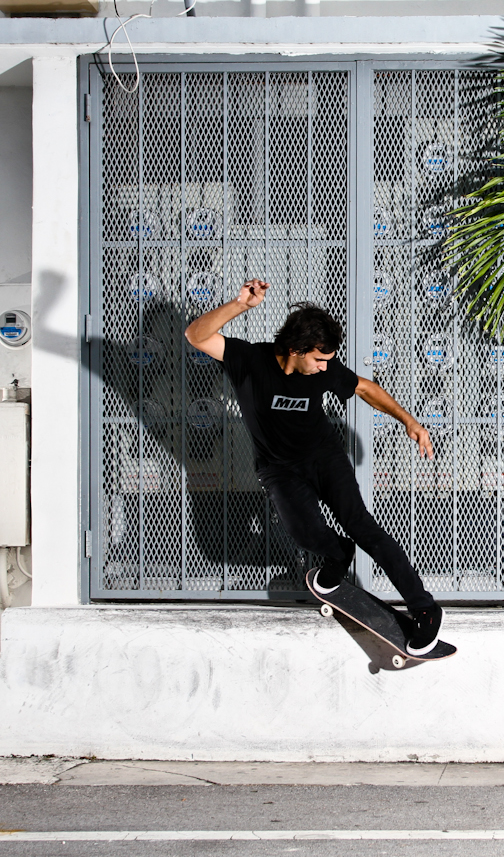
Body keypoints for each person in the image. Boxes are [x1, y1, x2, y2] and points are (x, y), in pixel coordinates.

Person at [183, 278, 443, 654]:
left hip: (325, 459)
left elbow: (366, 388)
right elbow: (196, 335)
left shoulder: (325, 369)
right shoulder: (249, 361)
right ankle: (337, 553)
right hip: (279, 469)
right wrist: (241, 305)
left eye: (329, 360)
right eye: (319, 359)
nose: (325, 368)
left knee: (363, 527)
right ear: (295, 349)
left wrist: (410, 422)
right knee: (306, 535)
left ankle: (425, 608)